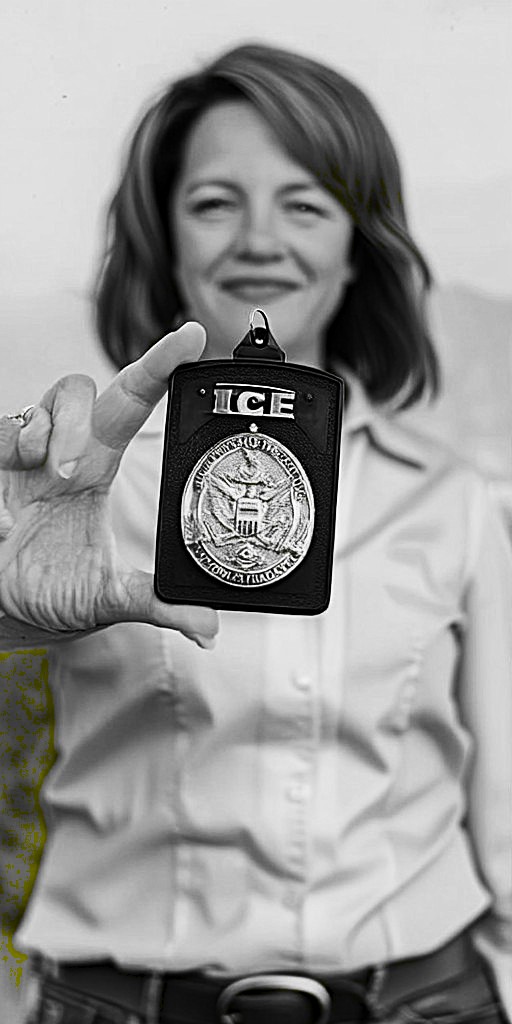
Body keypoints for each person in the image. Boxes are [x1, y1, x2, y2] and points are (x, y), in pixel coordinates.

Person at [0, 42, 510, 1024]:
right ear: (164, 238)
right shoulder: (76, 486)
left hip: (425, 1004)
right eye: (214, 201)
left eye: (306, 203)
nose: (260, 241)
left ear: (360, 246)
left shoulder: (451, 499)